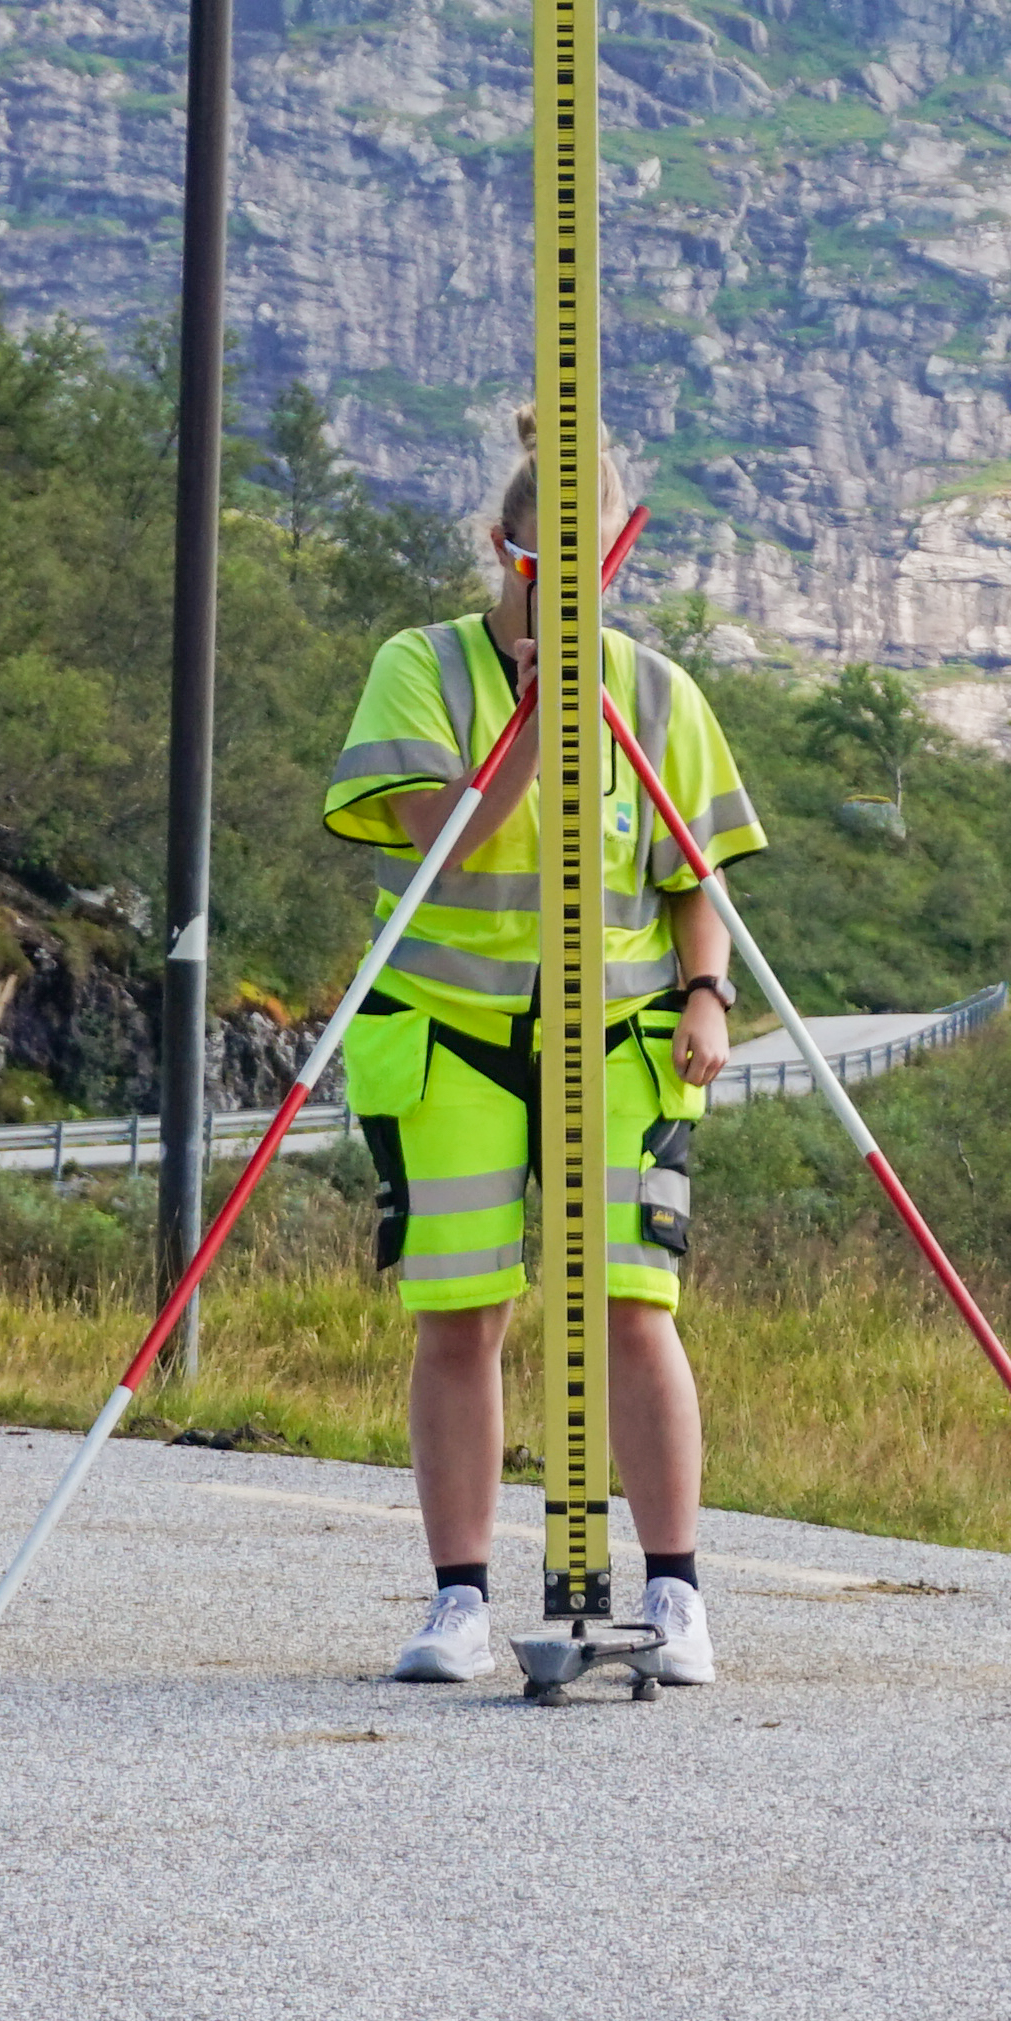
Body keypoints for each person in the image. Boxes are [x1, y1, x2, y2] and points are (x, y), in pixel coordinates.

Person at [318, 424, 767, 1689]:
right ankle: (459, 1599)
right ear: (501, 549)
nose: (571, 593)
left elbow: (696, 869)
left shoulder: (664, 693)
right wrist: (539, 710)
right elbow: (443, 839)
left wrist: (708, 991)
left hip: (620, 1040)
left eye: (595, 568)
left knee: (635, 1304)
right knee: (463, 1311)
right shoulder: (420, 668)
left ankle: (673, 1592)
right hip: (451, 1042)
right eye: (545, 565)